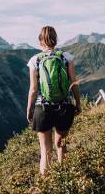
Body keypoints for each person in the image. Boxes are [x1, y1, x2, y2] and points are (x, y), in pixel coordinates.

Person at [26, 26, 81, 173]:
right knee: (61, 145)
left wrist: (29, 110)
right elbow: (74, 83)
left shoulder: (35, 60)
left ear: (40, 41)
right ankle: (64, 182)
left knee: (45, 151)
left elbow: (33, 89)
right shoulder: (66, 57)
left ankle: (45, 188)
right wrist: (78, 104)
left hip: (42, 109)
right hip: (64, 107)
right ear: (55, 39)